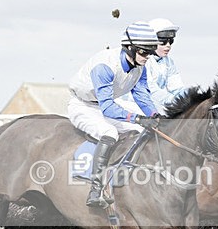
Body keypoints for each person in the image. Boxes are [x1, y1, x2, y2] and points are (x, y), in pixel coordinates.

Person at [68, 21, 160, 208]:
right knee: (109, 133)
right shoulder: (105, 66)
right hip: (83, 106)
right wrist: (138, 118)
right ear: (129, 48)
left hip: (105, 105)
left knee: (140, 130)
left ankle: (126, 176)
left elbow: (141, 94)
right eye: (143, 52)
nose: (147, 57)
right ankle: (95, 190)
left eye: (150, 52)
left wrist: (155, 115)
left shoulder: (139, 66)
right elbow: (108, 108)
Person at [115, 17, 191, 114]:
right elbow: (152, 92)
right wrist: (180, 102)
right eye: (163, 41)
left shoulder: (168, 62)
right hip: (131, 105)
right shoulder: (142, 60)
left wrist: (193, 96)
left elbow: (177, 89)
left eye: (171, 41)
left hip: (152, 105)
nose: (168, 45)